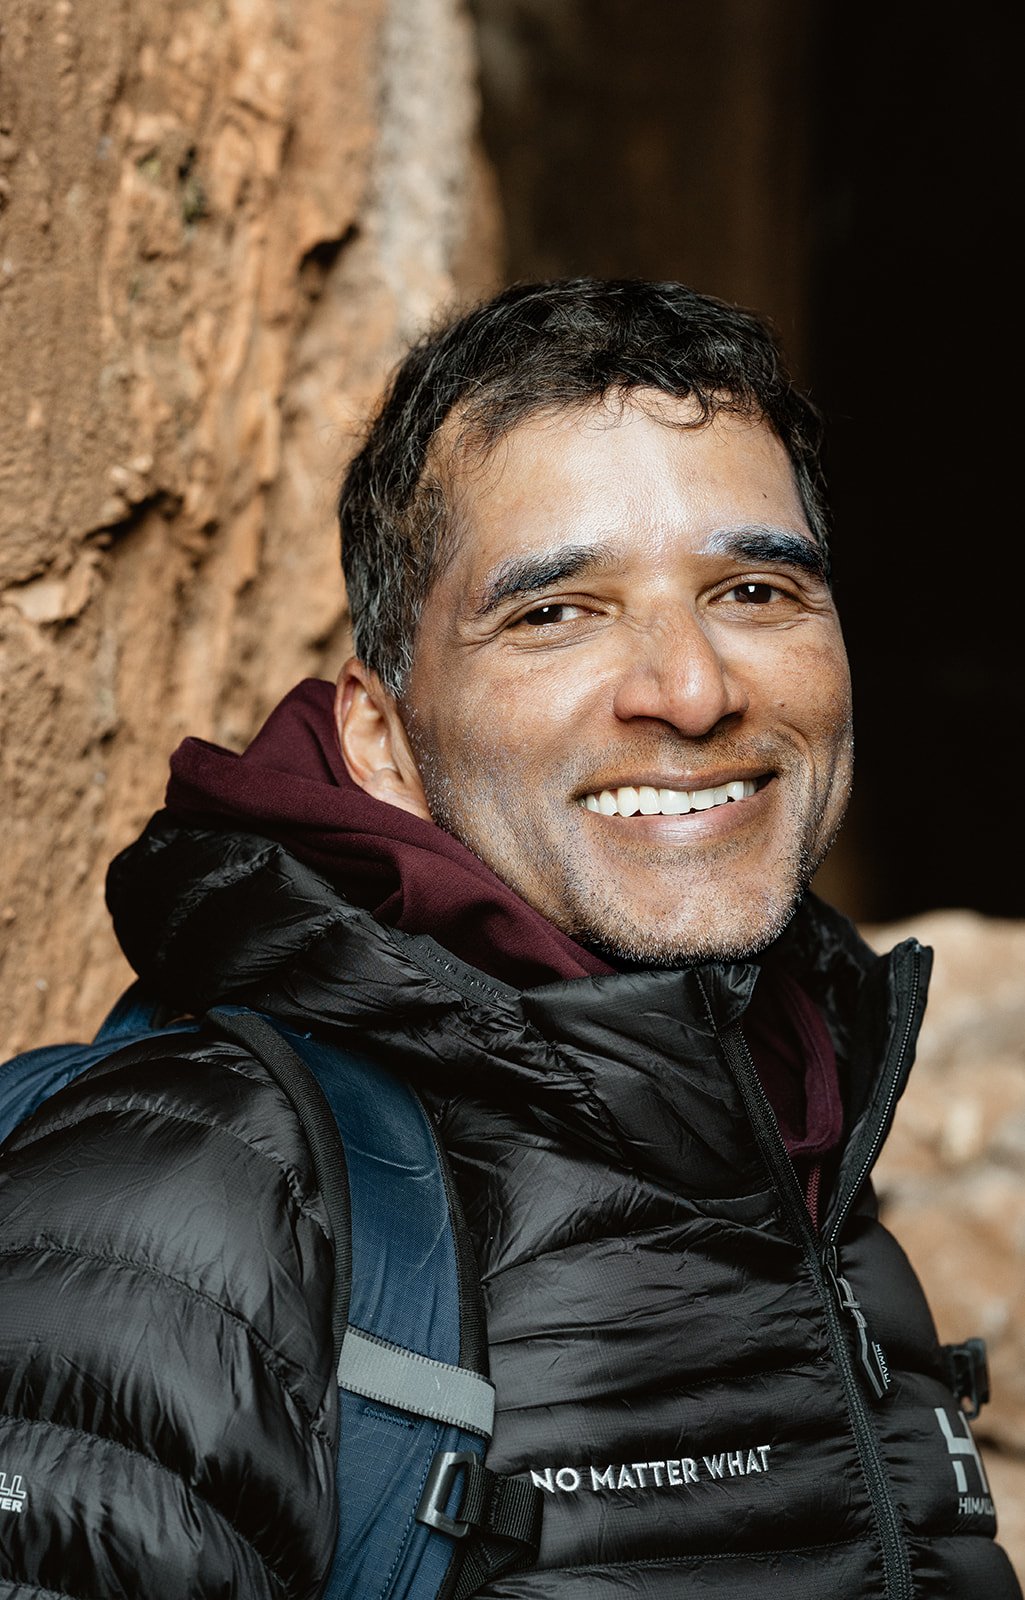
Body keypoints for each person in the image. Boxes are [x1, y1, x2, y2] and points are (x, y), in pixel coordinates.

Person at [0, 278, 1019, 1598]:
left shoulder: (797, 1135)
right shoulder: (187, 1209)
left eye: (754, 589)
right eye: (555, 612)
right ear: (380, 735)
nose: (692, 688)